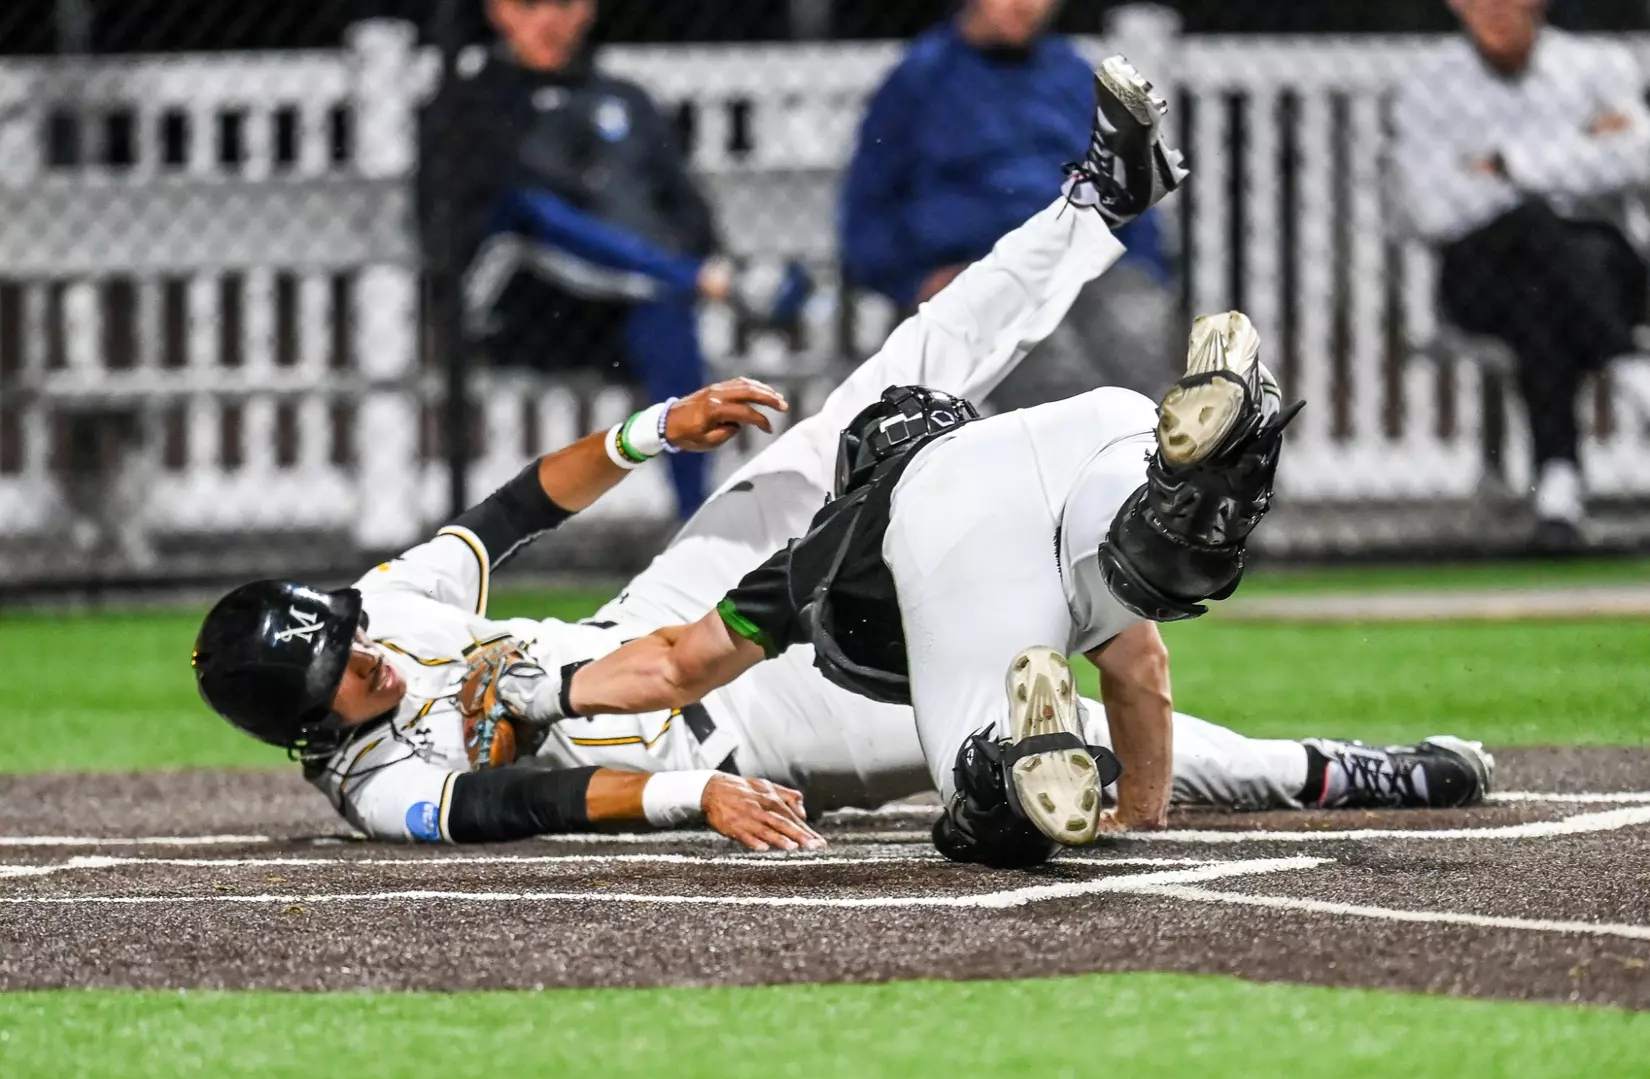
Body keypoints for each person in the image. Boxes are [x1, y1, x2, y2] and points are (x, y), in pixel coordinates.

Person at [194, 58, 1491, 851]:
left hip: (656, 630)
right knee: (1045, 727)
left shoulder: (378, 612)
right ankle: (1324, 768)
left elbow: (504, 515)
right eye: (342, 669)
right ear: (309, 727)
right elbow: (510, 810)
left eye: (343, 628)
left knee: (874, 400)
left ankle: (1097, 205)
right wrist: (682, 804)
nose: (363, 649)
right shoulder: (377, 782)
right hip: (731, 735)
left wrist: (650, 431)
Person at [420, 0, 811, 520]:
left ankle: (697, 527)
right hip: (517, 312)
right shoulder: (466, 108)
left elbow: (687, 214)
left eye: (564, 5)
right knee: (535, 212)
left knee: (667, 315)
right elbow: (494, 228)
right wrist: (693, 274)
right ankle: (712, 283)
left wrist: (683, 263)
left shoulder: (625, 102)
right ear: (498, 11)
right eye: (530, 6)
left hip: (623, 311)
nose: (549, 22)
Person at [1393, 0, 1650, 550]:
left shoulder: (1599, 64)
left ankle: (1558, 493)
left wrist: (1507, 162)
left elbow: (1638, 159)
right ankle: (1627, 366)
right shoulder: (1430, 84)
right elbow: (1431, 207)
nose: (1496, 9)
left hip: (1595, 268)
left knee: (1543, 288)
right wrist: (1579, 151)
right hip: (1483, 271)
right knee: (1535, 235)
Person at [839, 0, 1176, 408]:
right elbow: (868, 213)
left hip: (1081, 265)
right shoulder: (920, 83)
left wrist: (1142, 265)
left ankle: (1167, 459)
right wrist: (914, 281)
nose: (1025, 5)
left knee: (1138, 336)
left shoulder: (1071, 78)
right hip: (979, 275)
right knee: (1056, 370)